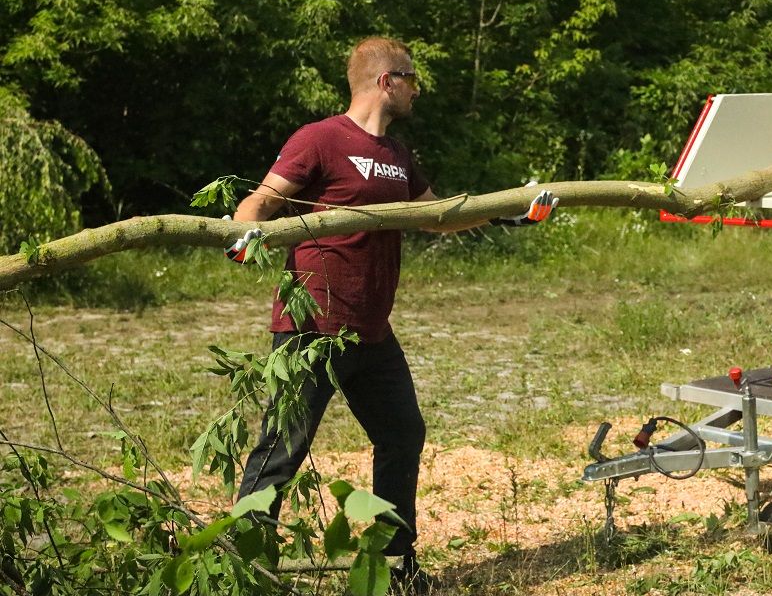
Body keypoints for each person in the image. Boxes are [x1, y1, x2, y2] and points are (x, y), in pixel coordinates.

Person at [224, 37, 557, 593]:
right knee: (281, 451)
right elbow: (262, 201)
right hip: (312, 331)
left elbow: (437, 216)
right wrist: (243, 231)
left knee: (403, 435)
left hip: (371, 332)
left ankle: (395, 566)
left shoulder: (398, 156)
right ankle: (240, 570)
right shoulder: (320, 139)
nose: (416, 91)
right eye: (411, 79)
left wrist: (510, 214)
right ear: (387, 81)